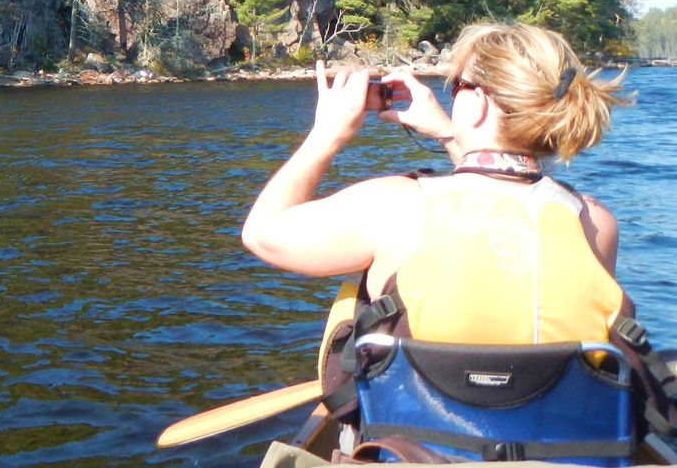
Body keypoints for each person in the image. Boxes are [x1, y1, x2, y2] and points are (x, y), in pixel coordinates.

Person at [241, 21, 630, 343]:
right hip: (550, 413)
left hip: (418, 416)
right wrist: (449, 133)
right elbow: (503, 204)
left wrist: (327, 133)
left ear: (477, 104)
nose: (452, 95)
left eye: (457, 86)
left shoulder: (394, 208)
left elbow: (262, 234)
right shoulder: (594, 222)